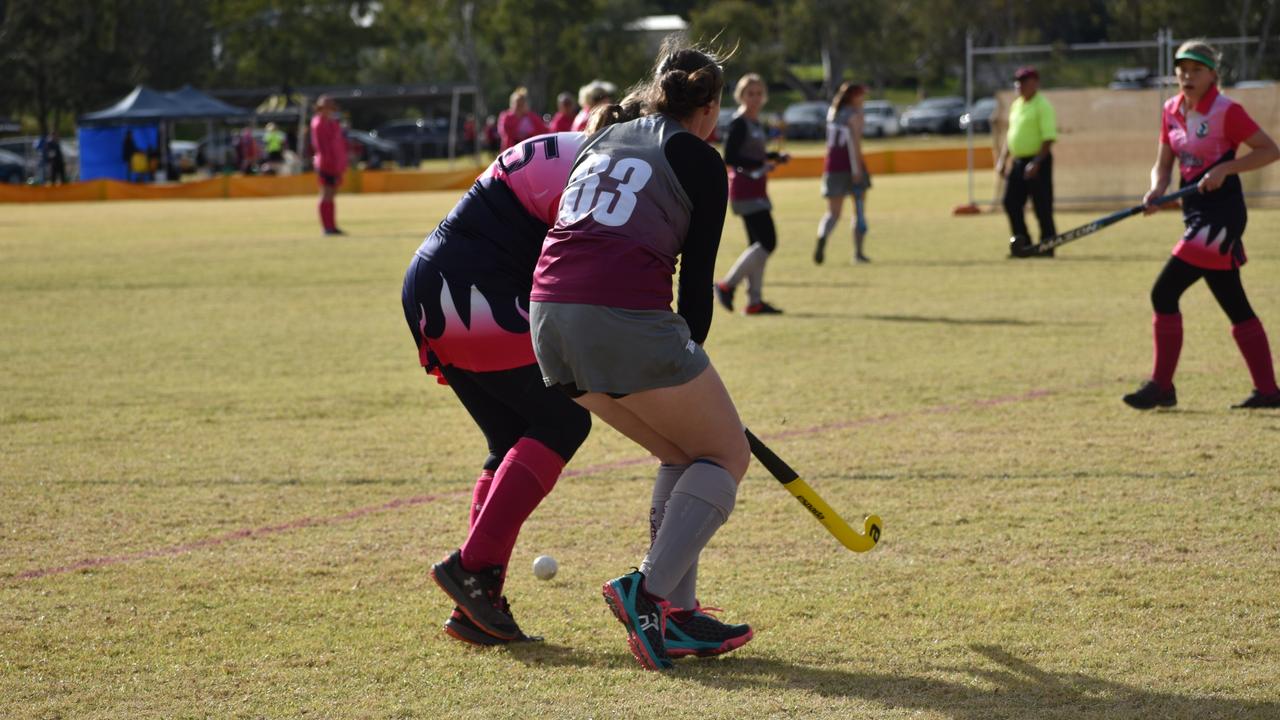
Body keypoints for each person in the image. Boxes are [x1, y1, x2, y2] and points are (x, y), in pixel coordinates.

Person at [529, 38, 753, 671]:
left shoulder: (601, 138)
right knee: (726, 453)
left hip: (547, 318)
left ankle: (678, 617)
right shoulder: (701, 159)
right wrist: (691, 356)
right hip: (620, 318)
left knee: (682, 452)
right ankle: (647, 591)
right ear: (708, 106)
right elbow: (697, 284)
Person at [411, 130, 594, 646]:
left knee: (510, 435)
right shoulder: (604, 165)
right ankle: (474, 567)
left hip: (432, 277)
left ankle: (477, 605)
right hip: (471, 289)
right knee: (563, 420)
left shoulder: (575, 142)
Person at [1122, 40, 1280, 410]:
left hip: (1221, 215)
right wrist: (1156, 189)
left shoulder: (1227, 111)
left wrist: (1226, 167)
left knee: (1164, 293)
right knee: (1234, 302)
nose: (1187, 76)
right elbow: (1163, 160)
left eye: (1196, 70)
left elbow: (1270, 150)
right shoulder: (1170, 110)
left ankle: (1161, 386)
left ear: (1212, 75)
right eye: (1182, 70)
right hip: (1194, 213)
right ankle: (1269, 391)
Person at [714, 73, 790, 315]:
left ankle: (754, 301)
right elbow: (731, 157)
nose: (755, 98)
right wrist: (760, 162)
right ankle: (727, 285)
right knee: (768, 242)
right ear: (741, 96)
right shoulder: (738, 122)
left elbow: (754, 154)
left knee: (757, 246)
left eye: (758, 93)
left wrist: (774, 157)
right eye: (750, 93)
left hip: (757, 188)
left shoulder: (755, 122)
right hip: (745, 190)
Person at [996, 67, 1058, 258]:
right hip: (1018, 161)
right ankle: (1023, 244)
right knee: (1010, 202)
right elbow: (1010, 134)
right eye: (1017, 82)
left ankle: (1047, 246)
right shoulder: (1017, 104)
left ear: (1034, 84)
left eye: (1023, 82)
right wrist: (1002, 159)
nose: (1019, 86)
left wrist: (1037, 162)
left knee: (1042, 206)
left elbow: (1049, 137)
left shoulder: (1043, 106)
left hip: (1038, 161)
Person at [814, 82, 872, 264]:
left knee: (833, 213)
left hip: (832, 167)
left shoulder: (833, 113)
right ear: (854, 97)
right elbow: (854, 144)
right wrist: (858, 170)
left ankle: (822, 235)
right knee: (859, 211)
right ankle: (858, 253)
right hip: (851, 167)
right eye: (862, 95)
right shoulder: (855, 115)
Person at [310, 96, 349, 236]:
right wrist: (329, 162)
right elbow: (321, 146)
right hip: (325, 164)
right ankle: (326, 227)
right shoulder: (318, 123)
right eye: (325, 107)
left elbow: (339, 144)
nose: (328, 110)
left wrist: (341, 163)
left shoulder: (333, 123)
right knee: (326, 193)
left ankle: (332, 225)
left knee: (332, 195)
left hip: (335, 164)